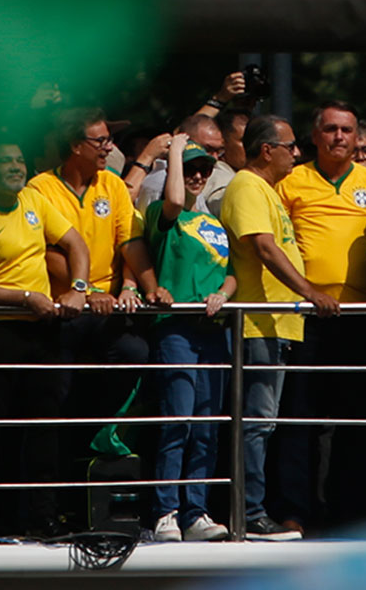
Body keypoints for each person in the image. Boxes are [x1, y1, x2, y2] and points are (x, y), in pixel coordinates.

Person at [0, 136, 90, 537]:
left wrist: (78, 286)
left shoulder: (34, 201)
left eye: (19, 160)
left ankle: (42, 519)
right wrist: (25, 298)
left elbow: (75, 242)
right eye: (4, 161)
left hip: (42, 330)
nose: (16, 166)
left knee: (44, 426)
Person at [272, 101, 366, 533]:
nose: (339, 137)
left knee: (358, 422)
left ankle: (353, 514)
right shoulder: (291, 181)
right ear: (315, 136)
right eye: (330, 130)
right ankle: (294, 512)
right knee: (299, 419)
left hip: (360, 316)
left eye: (346, 130)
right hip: (304, 315)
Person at [220, 115, 340, 541]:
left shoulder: (266, 190)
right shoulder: (247, 186)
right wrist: (311, 291)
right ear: (266, 150)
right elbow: (265, 248)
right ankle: (249, 513)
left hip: (278, 325)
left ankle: (255, 509)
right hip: (258, 324)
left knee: (265, 424)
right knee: (255, 423)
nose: (298, 153)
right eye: (291, 146)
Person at [26, 107, 152, 461]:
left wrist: (141, 285)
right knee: (53, 395)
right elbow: (46, 253)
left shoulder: (112, 183)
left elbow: (131, 243)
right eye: (100, 140)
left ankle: (95, 436)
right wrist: (87, 292)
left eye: (109, 140)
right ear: (74, 146)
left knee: (135, 354)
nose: (108, 148)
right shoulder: (41, 188)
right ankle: (50, 485)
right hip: (61, 308)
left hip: (106, 307)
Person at [143, 136, 236, 542]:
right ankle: (166, 510)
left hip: (214, 332)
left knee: (207, 425)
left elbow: (232, 271)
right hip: (177, 329)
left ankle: (195, 511)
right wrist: (175, 153)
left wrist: (225, 293)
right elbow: (176, 201)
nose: (198, 176)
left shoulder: (216, 223)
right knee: (177, 421)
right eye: (191, 169)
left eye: (205, 169)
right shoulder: (163, 215)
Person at [136, 114, 225, 212]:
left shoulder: (194, 184)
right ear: (183, 141)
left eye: (205, 170)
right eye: (208, 149)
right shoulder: (160, 181)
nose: (215, 157)